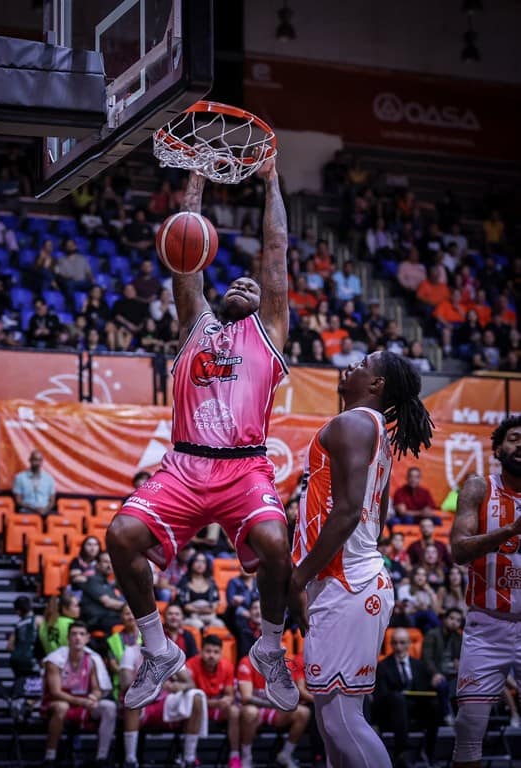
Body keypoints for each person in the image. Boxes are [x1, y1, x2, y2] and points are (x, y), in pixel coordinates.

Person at [107, 158, 299, 712]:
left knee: (274, 543)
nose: (243, 283)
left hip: (244, 467)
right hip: (186, 466)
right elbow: (185, 253)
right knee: (120, 536)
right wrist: (197, 175)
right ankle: (157, 647)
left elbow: (276, 253)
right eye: (232, 281)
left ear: (263, 301)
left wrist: (270, 182)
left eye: (251, 283)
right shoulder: (196, 324)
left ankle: (268, 647)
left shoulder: (270, 335)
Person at [290, 350, 433, 768]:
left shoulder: (352, 423)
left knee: (340, 721)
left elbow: (349, 512)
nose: (352, 365)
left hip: (348, 582)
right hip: (352, 577)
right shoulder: (376, 431)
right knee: (330, 718)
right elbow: (378, 513)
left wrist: (299, 578)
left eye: (364, 364)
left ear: (376, 385)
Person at [450, 414, 521, 767]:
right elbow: (459, 550)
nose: (520, 444)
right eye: (513, 438)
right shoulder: (479, 488)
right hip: (487, 625)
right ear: (497, 449)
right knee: (468, 729)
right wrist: (510, 530)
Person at [119, 642, 206, 768]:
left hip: (163, 703)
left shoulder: (170, 653)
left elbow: (190, 683)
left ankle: (189, 758)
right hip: (142, 702)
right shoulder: (131, 651)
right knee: (132, 700)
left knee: (196, 697)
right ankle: (130, 760)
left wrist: (179, 686)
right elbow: (125, 684)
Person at [42, 621, 116, 768]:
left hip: (81, 701)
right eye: (74, 634)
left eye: (82, 634)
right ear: (68, 638)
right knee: (62, 707)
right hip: (58, 701)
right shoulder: (54, 659)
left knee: (109, 707)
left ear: (87, 638)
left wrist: (93, 697)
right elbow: (55, 692)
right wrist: (82, 702)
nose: (78, 638)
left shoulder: (93, 658)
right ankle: (50, 756)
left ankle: (102, 757)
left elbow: (96, 688)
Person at [373, 627, 441, 767]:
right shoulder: (383, 666)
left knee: (434, 703)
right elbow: (381, 696)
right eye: (395, 643)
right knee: (398, 699)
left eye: (402, 643)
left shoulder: (419, 665)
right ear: (391, 644)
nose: (399, 647)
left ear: (409, 644)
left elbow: (424, 690)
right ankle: (401, 752)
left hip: (415, 709)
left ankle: (430, 750)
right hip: (392, 711)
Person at [236, 652, 310, 768]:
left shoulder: (284, 664)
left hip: (274, 709)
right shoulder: (247, 661)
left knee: (303, 712)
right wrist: (275, 704)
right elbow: (246, 697)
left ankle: (285, 754)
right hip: (255, 707)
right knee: (250, 712)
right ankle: (246, 757)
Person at [186, 634, 242, 768]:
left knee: (234, 711)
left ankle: (234, 756)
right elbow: (190, 696)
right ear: (201, 651)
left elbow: (229, 693)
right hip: (196, 709)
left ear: (221, 653)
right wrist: (217, 702)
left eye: (216, 652)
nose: (211, 655)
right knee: (195, 704)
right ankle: (190, 756)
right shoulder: (191, 664)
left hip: (216, 707)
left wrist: (228, 699)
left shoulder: (227, 666)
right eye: (208, 651)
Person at [421, 607, 464, 726]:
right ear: (444, 619)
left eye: (458, 620)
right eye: (451, 618)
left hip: (452, 675)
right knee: (442, 683)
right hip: (435, 674)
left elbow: (459, 659)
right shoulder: (432, 634)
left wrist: (459, 664)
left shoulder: (458, 637)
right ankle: (447, 714)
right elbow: (427, 659)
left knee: (468, 684)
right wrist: (435, 673)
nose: (454, 622)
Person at [79, 552, 125, 633]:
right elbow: (108, 602)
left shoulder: (108, 583)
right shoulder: (92, 580)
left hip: (110, 618)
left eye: (111, 562)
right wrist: (128, 607)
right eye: (105, 562)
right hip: (96, 621)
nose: (109, 565)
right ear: (97, 564)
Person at [12, 450, 56, 518]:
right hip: (27, 512)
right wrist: (33, 509)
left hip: (45, 513)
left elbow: (52, 501)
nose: (37, 463)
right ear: (30, 460)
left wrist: (45, 510)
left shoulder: (49, 479)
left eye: (39, 460)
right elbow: (18, 501)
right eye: (35, 459)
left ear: (42, 462)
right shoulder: (20, 478)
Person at [7, 596, 42, 678]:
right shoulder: (39, 620)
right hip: (30, 659)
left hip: (15, 659)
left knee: (20, 684)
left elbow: (9, 647)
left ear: (18, 611)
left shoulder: (18, 625)